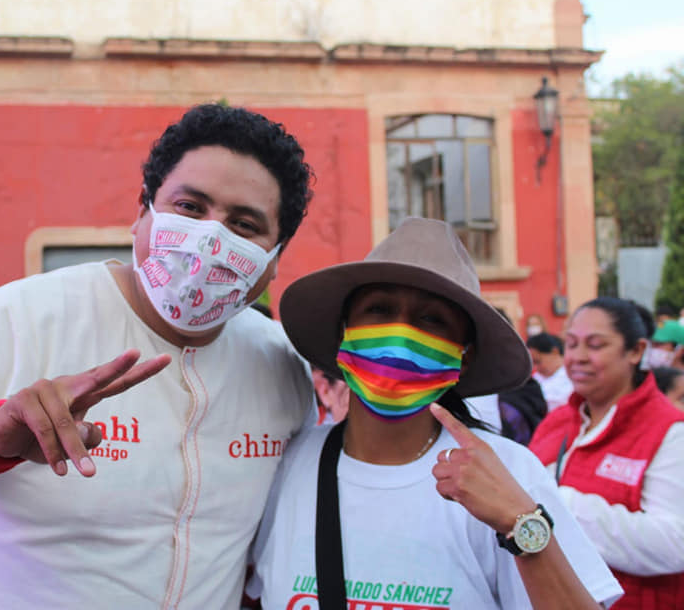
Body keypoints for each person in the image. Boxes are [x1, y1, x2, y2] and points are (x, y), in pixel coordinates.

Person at [0, 103, 316, 608]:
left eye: (243, 225)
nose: (208, 239)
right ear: (142, 212)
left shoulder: (278, 362)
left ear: (273, 259)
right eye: (189, 208)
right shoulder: (28, 317)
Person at [248, 217, 622, 609]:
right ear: (344, 332)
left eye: (431, 319)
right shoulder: (289, 464)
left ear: (465, 355)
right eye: (379, 309)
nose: (399, 335)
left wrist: (520, 524)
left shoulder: (505, 472)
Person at [529, 297, 684, 608]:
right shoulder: (556, 423)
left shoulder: (670, 432)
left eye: (596, 345)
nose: (578, 357)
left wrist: (557, 504)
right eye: (571, 344)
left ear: (636, 351)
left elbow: (674, 543)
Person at [527, 332, 573, 412]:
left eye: (538, 361)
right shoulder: (537, 378)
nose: (535, 367)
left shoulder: (573, 376)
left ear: (554, 352)